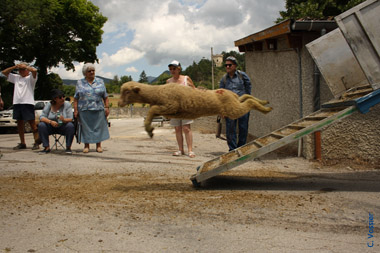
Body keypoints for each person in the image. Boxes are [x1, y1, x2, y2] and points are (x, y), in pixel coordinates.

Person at [1, 63, 40, 150]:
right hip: (17, 102)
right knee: (19, 124)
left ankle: (36, 142)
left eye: (23, 70)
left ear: (26, 70)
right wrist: (15, 67)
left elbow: (34, 71)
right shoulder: (16, 78)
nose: (21, 71)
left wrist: (25, 66)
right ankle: (22, 142)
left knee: (32, 123)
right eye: (20, 70)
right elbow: (4, 72)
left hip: (27, 102)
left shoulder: (30, 78)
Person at [74, 63, 110, 153]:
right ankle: (86, 146)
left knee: (98, 127)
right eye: (89, 71)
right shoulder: (79, 82)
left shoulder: (100, 81)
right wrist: (75, 110)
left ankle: (99, 145)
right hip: (84, 109)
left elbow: (105, 96)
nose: (91, 72)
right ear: (85, 73)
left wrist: (107, 107)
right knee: (86, 128)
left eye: (93, 70)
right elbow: (76, 98)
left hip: (98, 109)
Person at [219, 56, 252, 151]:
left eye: (230, 65)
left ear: (235, 65)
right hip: (230, 107)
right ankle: (232, 150)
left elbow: (248, 86)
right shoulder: (224, 79)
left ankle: (241, 148)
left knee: (243, 128)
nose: (227, 67)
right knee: (230, 129)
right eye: (226, 65)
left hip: (242, 105)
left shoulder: (242, 75)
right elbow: (220, 94)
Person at [166, 60, 196, 158]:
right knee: (177, 129)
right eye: (170, 69)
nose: (172, 70)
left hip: (185, 107)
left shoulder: (186, 79)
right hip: (175, 109)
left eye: (174, 68)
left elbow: (194, 90)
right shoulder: (168, 81)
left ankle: (190, 150)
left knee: (186, 128)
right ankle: (180, 150)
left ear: (179, 69)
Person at [38, 89, 75, 154]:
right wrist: (50, 122)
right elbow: (42, 117)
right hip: (51, 126)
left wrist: (63, 120)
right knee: (41, 125)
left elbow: (71, 119)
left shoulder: (67, 104)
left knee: (70, 126)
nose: (63, 98)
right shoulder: (49, 104)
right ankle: (46, 147)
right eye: (60, 97)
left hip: (62, 126)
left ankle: (68, 147)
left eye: (64, 96)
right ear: (55, 99)